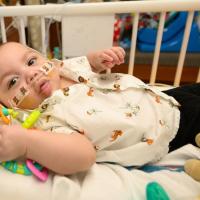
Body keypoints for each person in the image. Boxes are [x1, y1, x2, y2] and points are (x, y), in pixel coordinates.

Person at [0, 42, 198, 176]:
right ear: (8, 106)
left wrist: (97, 60)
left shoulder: (61, 68)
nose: (31, 74)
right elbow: (82, 155)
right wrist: (28, 143)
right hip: (167, 130)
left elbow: (87, 64)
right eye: (13, 81)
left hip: (166, 97)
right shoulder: (50, 119)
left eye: (31, 61)